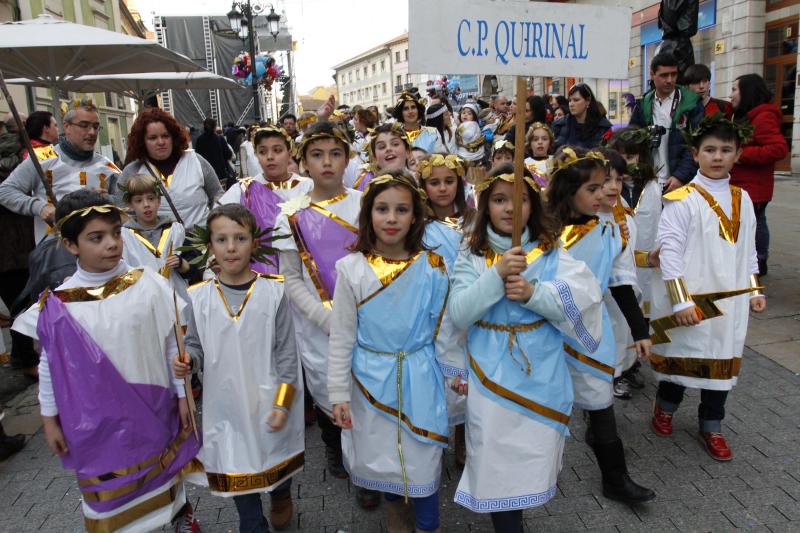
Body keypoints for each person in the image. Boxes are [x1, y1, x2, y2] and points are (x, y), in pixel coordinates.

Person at [12, 189, 201, 533]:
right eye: (96, 238)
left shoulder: (149, 287)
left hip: (153, 407)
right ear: (71, 245)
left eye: (115, 234)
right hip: (94, 423)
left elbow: (171, 343)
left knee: (165, 494)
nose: (111, 244)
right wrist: (49, 418)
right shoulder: (58, 307)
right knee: (114, 511)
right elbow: (50, 367)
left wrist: (181, 392)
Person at [448, 164, 602, 533]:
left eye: (520, 200)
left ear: (534, 206)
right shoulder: (473, 252)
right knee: (496, 459)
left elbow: (583, 296)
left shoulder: (550, 251)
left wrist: (535, 295)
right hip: (490, 373)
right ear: (486, 205)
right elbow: (459, 312)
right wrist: (496, 274)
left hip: (540, 369)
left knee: (532, 459)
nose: (509, 209)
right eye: (500, 200)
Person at [328, 172, 454, 532]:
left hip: (420, 373)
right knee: (383, 456)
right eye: (382, 209)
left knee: (423, 455)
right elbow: (341, 337)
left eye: (402, 209)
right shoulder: (350, 269)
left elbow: (443, 329)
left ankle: (428, 524)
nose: (392, 218)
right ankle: (396, 514)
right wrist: (338, 393)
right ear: (368, 215)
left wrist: (455, 375)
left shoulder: (432, 266)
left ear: (416, 216)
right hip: (369, 379)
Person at [175, 203, 303, 532]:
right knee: (236, 469)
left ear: (254, 243)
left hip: (269, 398)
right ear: (210, 245)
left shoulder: (273, 292)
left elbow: (287, 352)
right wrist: (189, 362)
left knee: (274, 462)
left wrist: (283, 401)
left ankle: (280, 495)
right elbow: (195, 346)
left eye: (240, 238)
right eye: (222, 239)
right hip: (226, 405)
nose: (231, 247)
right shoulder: (198, 297)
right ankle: (252, 523)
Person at [650, 114, 765, 461]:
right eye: (710, 149)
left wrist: (754, 289)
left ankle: (712, 425)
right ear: (696, 153)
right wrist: (681, 300)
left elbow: (748, 249)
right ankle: (665, 408)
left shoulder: (742, 198)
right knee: (683, 359)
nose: (717, 157)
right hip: (692, 298)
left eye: (725, 150)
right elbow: (668, 251)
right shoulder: (682, 199)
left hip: (729, 301)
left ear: (737, 154)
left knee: (720, 362)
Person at [547, 147, 656, 504]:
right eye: (593, 188)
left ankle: (615, 478)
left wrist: (640, 331)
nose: (603, 194)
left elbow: (619, 281)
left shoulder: (612, 228)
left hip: (590, 329)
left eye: (605, 185)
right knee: (545, 404)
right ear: (568, 188)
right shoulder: (544, 228)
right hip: (544, 331)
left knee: (599, 399)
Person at [273, 120, 361, 480]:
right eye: (317, 155)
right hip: (316, 321)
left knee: (365, 387)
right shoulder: (290, 214)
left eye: (335, 154)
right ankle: (334, 445)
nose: (327, 162)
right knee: (327, 388)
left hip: (367, 316)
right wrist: (325, 318)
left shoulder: (365, 204)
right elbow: (290, 277)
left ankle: (367, 464)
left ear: (347, 160)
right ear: (304, 162)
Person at [418, 154, 475, 467]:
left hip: (468, 306)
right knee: (436, 376)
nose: (442, 188)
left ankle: (465, 439)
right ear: (424, 185)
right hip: (434, 312)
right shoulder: (419, 225)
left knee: (466, 375)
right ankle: (436, 437)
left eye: (449, 181)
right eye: (434, 182)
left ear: (460, 182)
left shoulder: (474, 220)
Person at [0, 100, 121, 242]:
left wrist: (108, 201)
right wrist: (39, 207)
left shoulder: (107, 166)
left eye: (95, 126)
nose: (92, 132)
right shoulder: (42, 158)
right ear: (67, 127)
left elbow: (127, 202)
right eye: (84, 126)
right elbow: (5, 191)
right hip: (54, 253)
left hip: (97, 256)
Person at [603, 127, 661, 391]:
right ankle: (613, 375)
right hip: (612, 282)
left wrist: (650, 258)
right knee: (614, 326)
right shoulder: (605, 198)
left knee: (631, 323)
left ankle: (627, 368)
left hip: (639, 271)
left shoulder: (651, 187)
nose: (627, 163)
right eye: (621, 156)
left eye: (632, 156)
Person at [219, 126, 312, 275]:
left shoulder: (307, 187)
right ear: (256, 155)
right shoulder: (243, 190)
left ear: (289, 154)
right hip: (259, 274)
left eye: (277, 150)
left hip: (304, 270)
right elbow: (217, 226)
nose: (270, 157)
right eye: (263, 152)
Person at [119, 108, 223, 230]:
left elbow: (217, 193)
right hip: (158, 246)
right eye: (152, 138)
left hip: (201, 244)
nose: (160, 142)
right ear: (142, 141)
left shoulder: (196, 161)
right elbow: (122, 212)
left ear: (173, 137)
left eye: (165, 136)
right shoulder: (132, 171)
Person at [729, 73, 789, 276]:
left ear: (747, 92)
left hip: (754, 186)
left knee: (755, 221)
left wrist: (741, 155)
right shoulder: (746, 114)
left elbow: (778, 148)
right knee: (754, 220)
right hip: (745, 183)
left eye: (735, 89)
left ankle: (759, 260)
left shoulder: (763, 117)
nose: (731, 95)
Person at [597, 149, 640, 400]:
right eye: (606, 180)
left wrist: (649, 258)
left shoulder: (624, 213)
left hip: (622, 298)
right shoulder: (586, 220)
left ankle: (617, 375)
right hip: (601, 297)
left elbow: (630, 255)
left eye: (619, 180)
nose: (614, 187)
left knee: (620, 336)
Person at [629, 52, 704, 192]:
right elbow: (632, 140)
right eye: (664, 75)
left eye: (674, 74)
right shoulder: (643, 103)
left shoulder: (691, 103)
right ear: (652, 74)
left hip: (680, 182)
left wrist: (680, 176)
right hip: (650, 182)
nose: (670, 80)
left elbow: (696, 143)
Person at [119, 174, 192, 308]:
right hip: (142, 302)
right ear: (130, 205)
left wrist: (180, 263)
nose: (146, 205)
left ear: (158, 201)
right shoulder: (124, 236)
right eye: (139, 200)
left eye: (151, 199)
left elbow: (192, 265)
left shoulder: (176, 230)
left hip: (177, 299)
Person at [347, 122, 411, 192]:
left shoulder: (421, 180)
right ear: (375, 157)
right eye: (382, 147)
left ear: (408, 151)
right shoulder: (368, 183)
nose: (388, 149)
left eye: (395, 144)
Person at [552, 84, 613, 150]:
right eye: (570, 100)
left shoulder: (603, 127)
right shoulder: (559, 125)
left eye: (576, 100)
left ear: (588, 101)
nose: (571, 104)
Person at [194, 118, 233, 186]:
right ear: (215, 127)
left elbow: (197, 157)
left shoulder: (199, 140)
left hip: (206, 176)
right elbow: (229, 154)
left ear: (204, 127)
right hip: (221, 174)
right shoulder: (219, 138)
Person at [524, 122, 555, 188]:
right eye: (535, 139)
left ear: (550, 142)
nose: (540, 142)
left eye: (544, 139)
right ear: (529, 144)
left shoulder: (555, 161)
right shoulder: (524, 164)